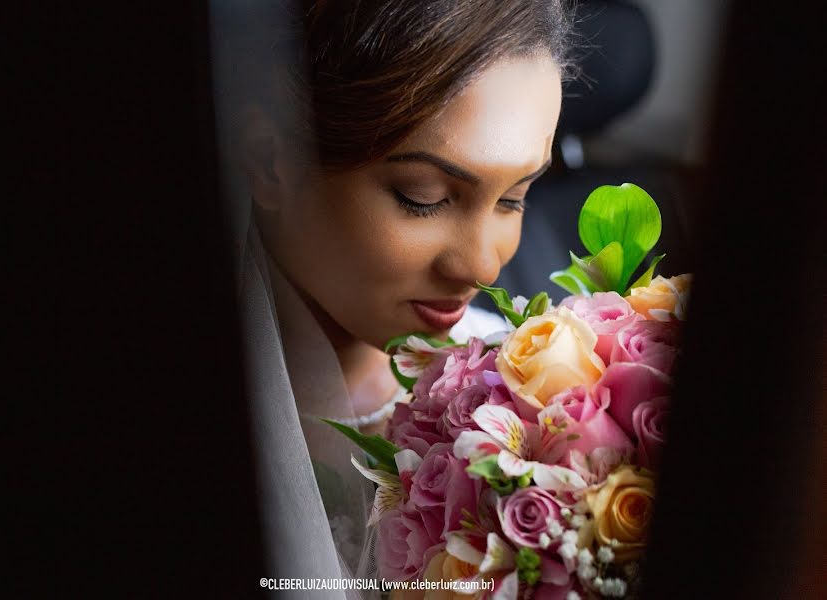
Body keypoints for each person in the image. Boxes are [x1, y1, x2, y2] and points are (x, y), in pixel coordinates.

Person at [212, 1, 574, 597]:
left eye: (514, 198)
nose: (483, 266)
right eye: (423, 196)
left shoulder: (533, 397)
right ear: (270, 161)